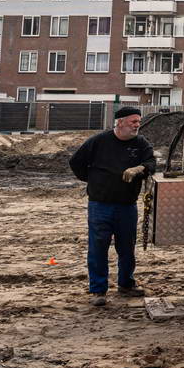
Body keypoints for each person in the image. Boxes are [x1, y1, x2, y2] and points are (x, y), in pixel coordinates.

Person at [69, 106, 155, 307]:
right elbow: (76, 162)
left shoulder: (140, 143)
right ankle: (98, 290)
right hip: (100, 205)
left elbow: (152, 162)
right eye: (133, 121)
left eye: (138, 122)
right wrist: (93, 180)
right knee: (98, 247)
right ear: (121, 122)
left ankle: (126, 284)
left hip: (126, 206)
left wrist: (140, 168)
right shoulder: (99, 141)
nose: (137, 125)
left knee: (126, 247)